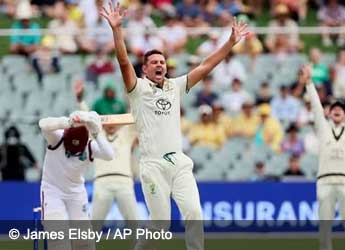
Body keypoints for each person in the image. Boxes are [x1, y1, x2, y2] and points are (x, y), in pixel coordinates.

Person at [100, 2, 249, 249]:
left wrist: (230, 43)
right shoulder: (138, 89)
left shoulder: (174, 86)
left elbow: (206, 65)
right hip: (152, 165)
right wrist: (117, 30)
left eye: (162, 62)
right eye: (154, 62)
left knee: (194, 213)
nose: (160, 65)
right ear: (145, 70)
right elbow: (124, 62)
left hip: (178, 162)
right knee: (160, 225)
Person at [300, 65, 345, 250]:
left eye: (340, 108)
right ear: (330, 112)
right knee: (324, 231)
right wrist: (309, 82)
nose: (337, 110)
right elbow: (317, 108)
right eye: (334, 108)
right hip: (325, 182)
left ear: (344, 113)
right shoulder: (323, 128)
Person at [38, 110, 114, 250]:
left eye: (76, 151)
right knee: (58, 238)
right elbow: (42, 123)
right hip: (52, 190)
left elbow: (110, 155)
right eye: (70, 149)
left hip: (76, 192)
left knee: (84, 239)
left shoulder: (89, 146)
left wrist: (97, 132)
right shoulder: (57, 137)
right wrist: (67, 122)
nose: (72, 153)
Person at [74, 82, 139, 231]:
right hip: (102, 182)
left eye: (114, 121)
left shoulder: (126, 133)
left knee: (134, 223)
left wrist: (135, 93)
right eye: (107, 121)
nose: (111, 124)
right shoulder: (98, 135)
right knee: (94, 225)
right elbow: (88, 119)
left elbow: (135, 115)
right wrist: (80, 101)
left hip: (124, 181)